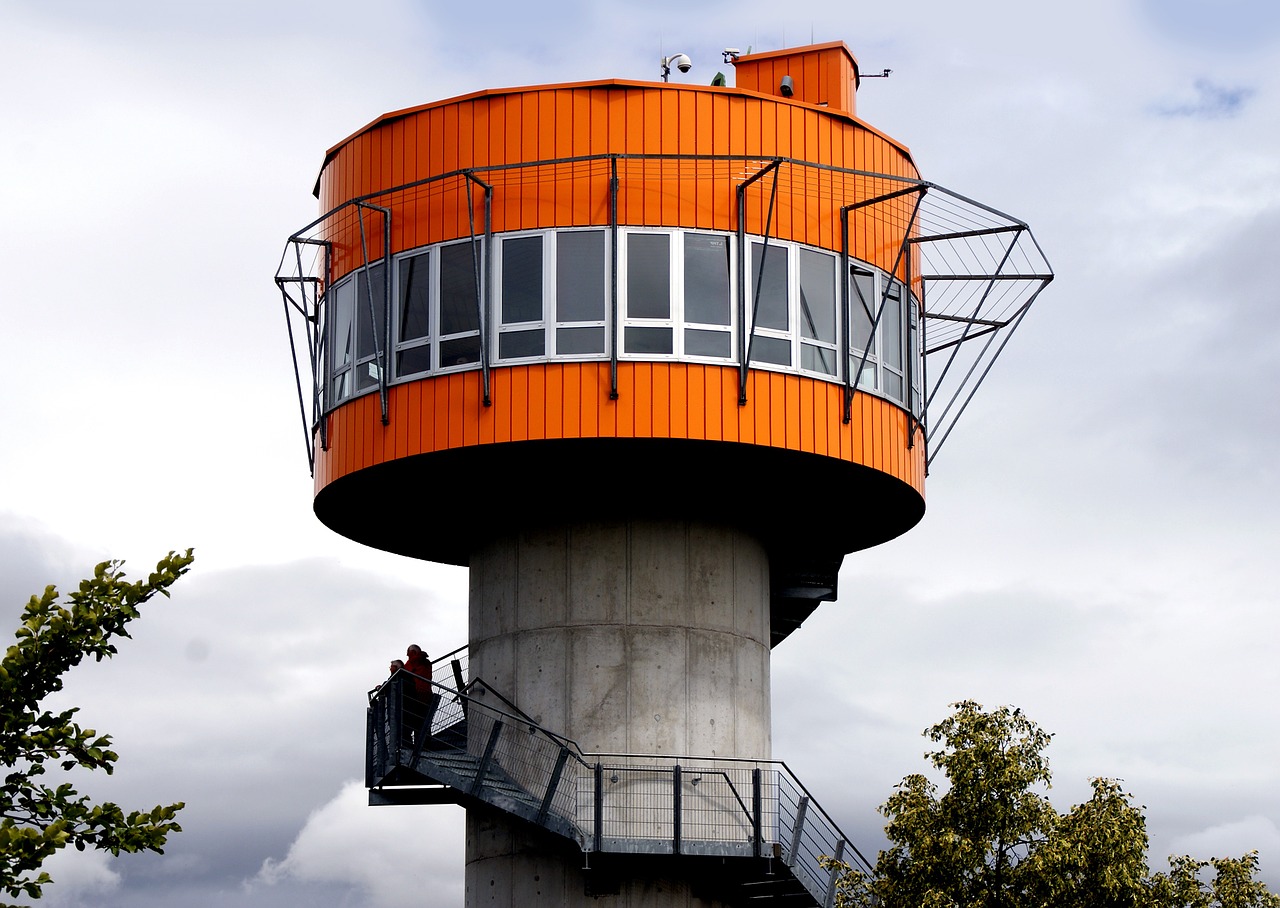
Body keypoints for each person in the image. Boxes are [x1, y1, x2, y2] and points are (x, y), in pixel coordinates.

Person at [403, 645, 435, 745]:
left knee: (412, 723)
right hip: (424, 696)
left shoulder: (415, 663)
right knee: (423, 724)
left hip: (416, 697)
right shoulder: (425, 662)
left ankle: (417, 746)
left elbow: (406, 671)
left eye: (409, 653)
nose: (408, 656)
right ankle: (424, 745)